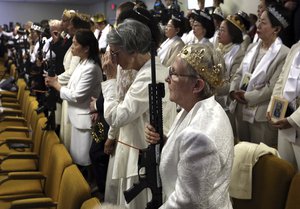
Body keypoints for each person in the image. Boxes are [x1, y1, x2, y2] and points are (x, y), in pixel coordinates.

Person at [145, 43, 234, 209]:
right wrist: (164, 142)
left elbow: (186, 203)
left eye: (174, 73)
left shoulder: (201, 136)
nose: (167, 78)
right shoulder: (196, 109)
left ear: (197, 86)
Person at [101, 19, 176, 208]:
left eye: (116, 53)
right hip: (136, 151)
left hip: (143, 159)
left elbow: (116, 116)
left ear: (133, 50)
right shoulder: (145, 72)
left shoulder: (150, 77)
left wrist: (110, 80)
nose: (114, 61)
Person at [229, 4, 290, 147]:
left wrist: (246, 96)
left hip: (261, 116)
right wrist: (233, 90)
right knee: (242, 152)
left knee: (261, 157)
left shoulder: (284, 53)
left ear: (276, 29)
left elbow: (272, 88)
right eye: (258, 21)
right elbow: (239, 73)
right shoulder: (252, 47)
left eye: (263, 23)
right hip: (241, 108)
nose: (258, 25)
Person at [45, 29, 102, 178]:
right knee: (77, 160)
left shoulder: (91, 68)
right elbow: (71, 85)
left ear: (86, 48)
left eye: (75, 44)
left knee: (85, 161)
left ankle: (87, 190)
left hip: (85, 120)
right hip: (77, 118)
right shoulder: (82, 63)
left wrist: (56, 85)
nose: (71, 46)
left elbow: (77, 96)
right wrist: (56, 81)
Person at [267, 40, 300, 171]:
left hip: (295, 122)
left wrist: (292, 120)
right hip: (284, 123)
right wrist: (272, 106)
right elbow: (281, 80)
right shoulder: (295, 46)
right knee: (284, 172)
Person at [216, 14, 246, 138]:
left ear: (232, 34)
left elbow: (234, 81)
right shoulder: (219, 48)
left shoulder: (238, 52)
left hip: (227, 101)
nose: (218, 32)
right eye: (219, 29)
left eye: (222, 30)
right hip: (215, 98)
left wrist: (213, 85)